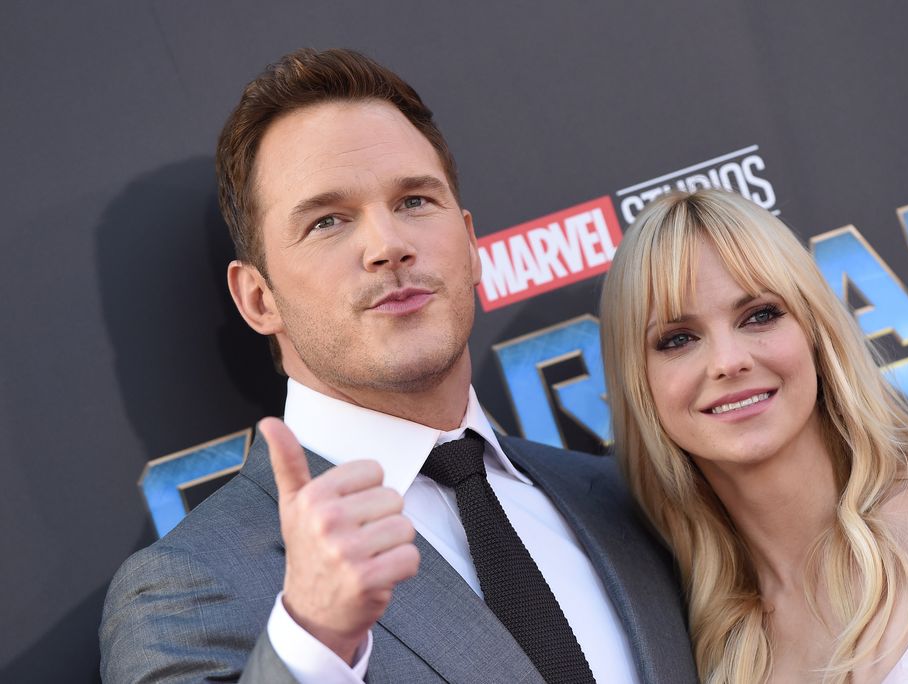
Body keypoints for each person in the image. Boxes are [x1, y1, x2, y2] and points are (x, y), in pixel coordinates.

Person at [99, 48, 696, 683]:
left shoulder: (618, 500)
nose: (388, 246)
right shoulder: (191, 585)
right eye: (328, 221)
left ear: (469, 244)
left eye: (414, 200)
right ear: (258, 297)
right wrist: (314, 640)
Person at [599, 189, 908, 683]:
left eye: (759, 314)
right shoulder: (702, 653)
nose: (728, 360)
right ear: (639, 383)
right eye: (678, 339)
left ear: (816, 332)